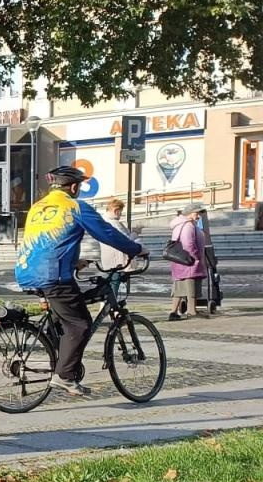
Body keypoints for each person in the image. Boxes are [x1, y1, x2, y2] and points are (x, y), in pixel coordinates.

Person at [14, 166, 145, 395]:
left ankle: (60, 358)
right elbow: (106, 232)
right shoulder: (75, 206)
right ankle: (64, 375)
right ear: (74, 187)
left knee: (66, 316)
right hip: (53, 275)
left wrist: (74, 261)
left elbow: (49, 243)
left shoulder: (37, 206)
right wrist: (135, 249)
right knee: (80, 323)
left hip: (26, 270)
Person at [168, 205, 203, 322]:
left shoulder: (180, 224)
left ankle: (173, 312)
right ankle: (192, 311)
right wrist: (196, 256)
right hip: (188, 261)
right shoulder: (188, 225)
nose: (198, 216)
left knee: (179, 286)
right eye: (196, 213)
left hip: (180, 260)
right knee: (191, 285)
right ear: (189, 213)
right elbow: (188, 244)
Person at [96, 198, 135, 272]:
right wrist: (135, 234)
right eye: (120, 211)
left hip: (108, 260)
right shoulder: (114, 223)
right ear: (116, 211)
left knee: (112, 277)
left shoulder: (102, 222)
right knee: (117, 278)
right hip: (119, 261)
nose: (121, 214)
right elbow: (126, 240)